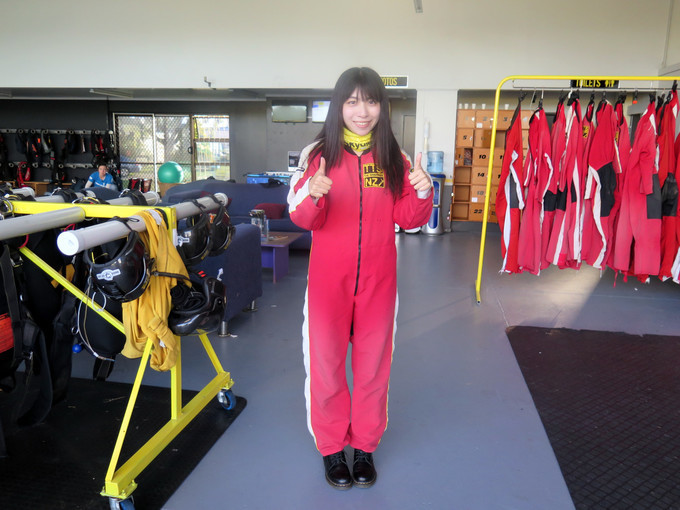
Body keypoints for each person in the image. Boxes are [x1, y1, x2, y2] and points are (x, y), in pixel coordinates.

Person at [287, 67, 433, 490]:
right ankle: (333, 448)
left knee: (373, 369)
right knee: (327, 367)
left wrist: (423, 192)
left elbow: (407, 217)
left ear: (382, 106)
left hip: (378, 284)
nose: (362, 111)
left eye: (370, 101)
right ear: (339, 106)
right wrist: (313, 193)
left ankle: (365, 446)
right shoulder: (317, 155)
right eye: (352, 101)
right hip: (328, 285)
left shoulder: (394, 158)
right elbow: (300, 216)